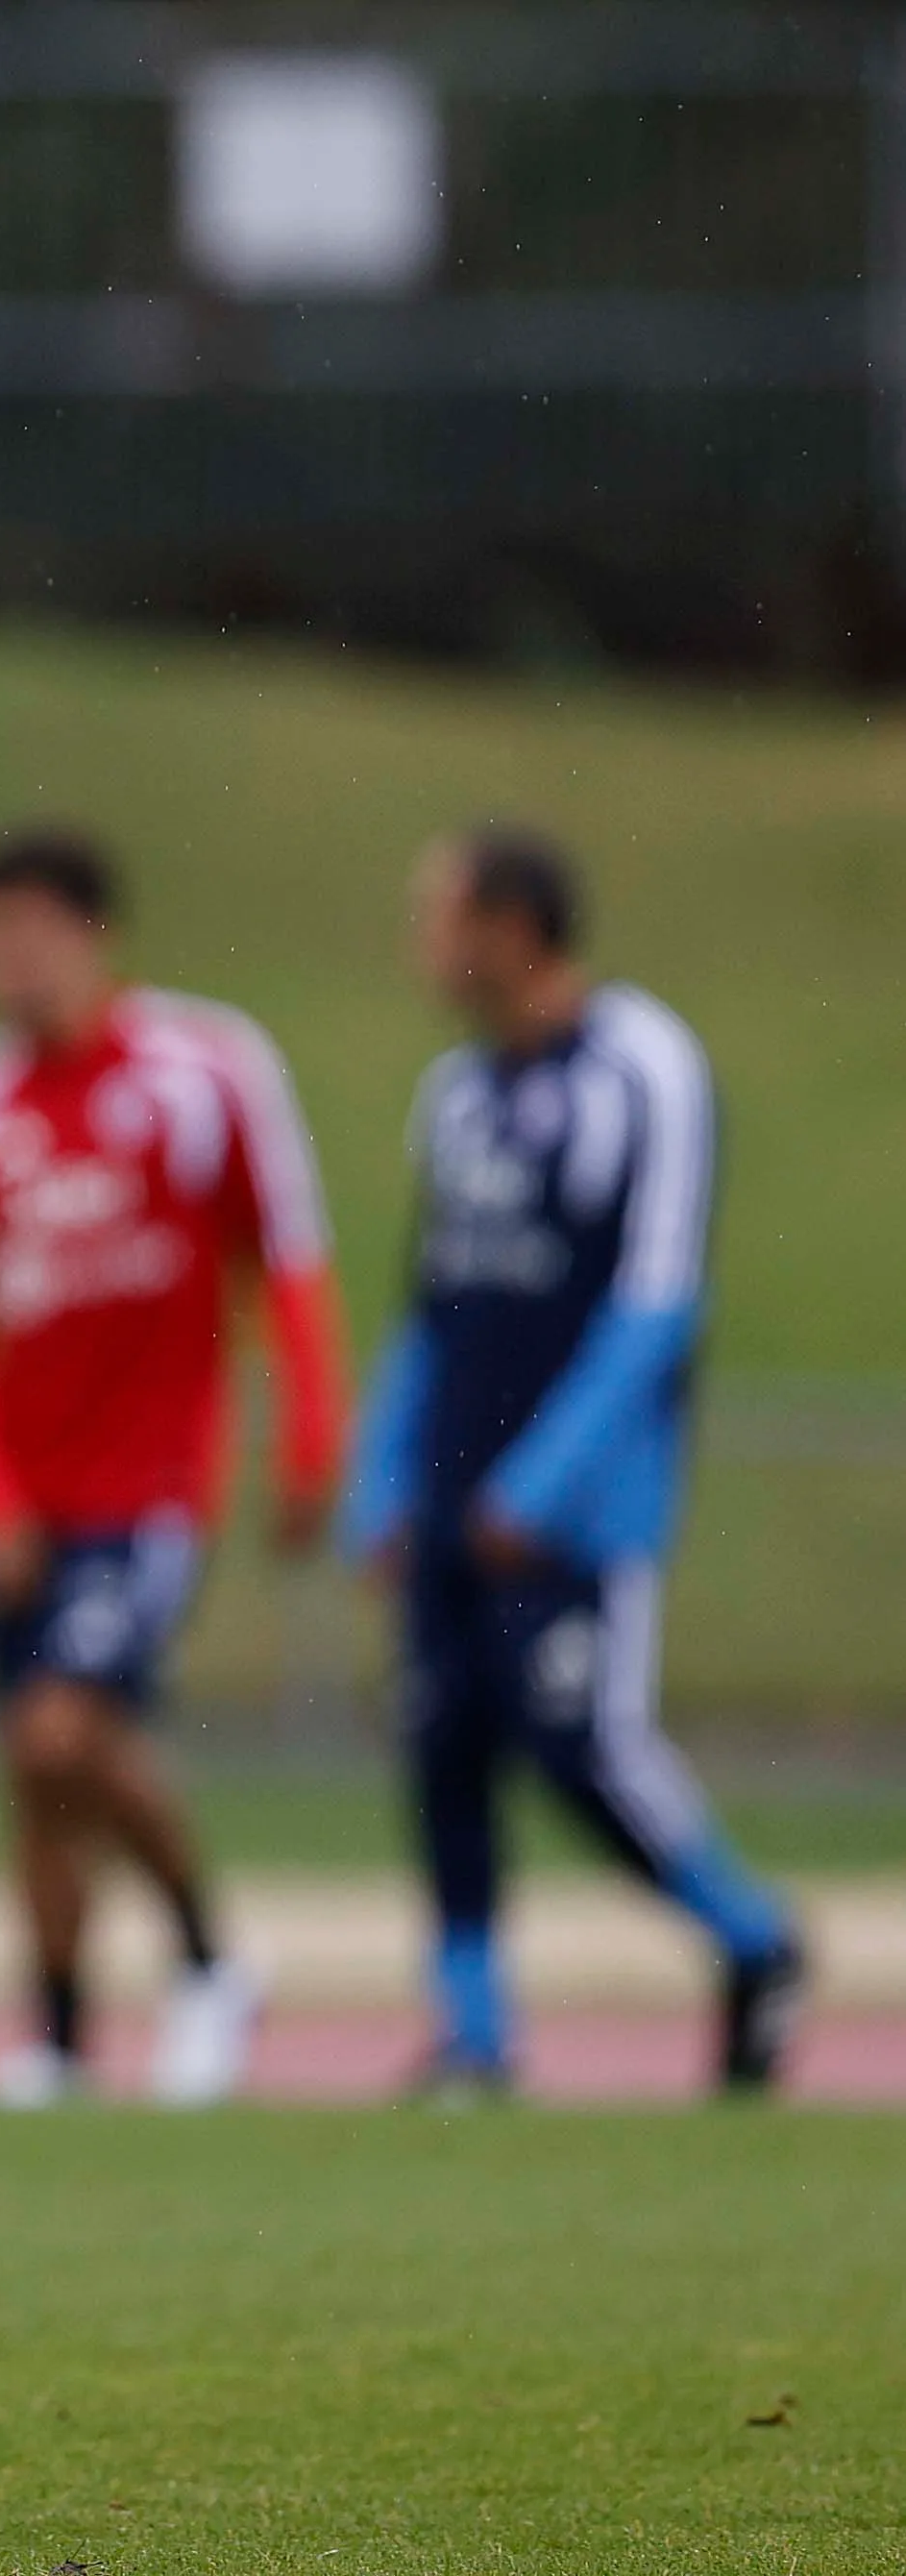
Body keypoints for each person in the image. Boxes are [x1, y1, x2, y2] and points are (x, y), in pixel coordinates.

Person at [0, 826, 344, 2109]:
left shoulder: (206, 1072)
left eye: (32, 927)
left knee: (61, 1728)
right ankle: (58, 2039)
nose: (7, 956)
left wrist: (312, 1438)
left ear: (95, 935)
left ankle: (207, 1960)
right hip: (20, 1504)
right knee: (32, 1773)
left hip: (151, 1486)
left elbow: (285, 1260)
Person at [339, 827, 803, 2099]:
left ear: (508, 929)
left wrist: (538, 1488)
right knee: (441, 1748)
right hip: (450, 1493)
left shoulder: (644, 1065)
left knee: (579, 1744)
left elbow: (659, 1301)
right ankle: (473, 2033)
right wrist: (382, 1482)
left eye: (436, 918)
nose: (420, 946)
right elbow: (430, 1307)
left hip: (576, 1510)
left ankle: (754, 1941)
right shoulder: (455, 1095)